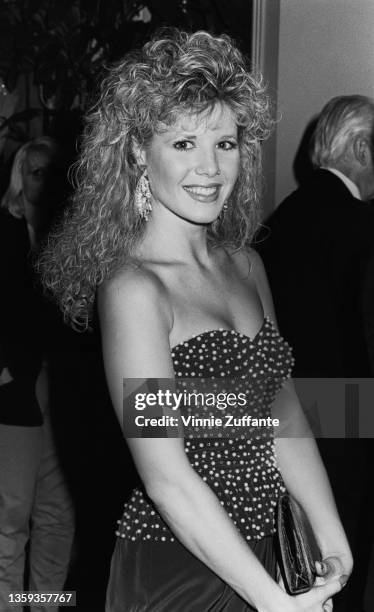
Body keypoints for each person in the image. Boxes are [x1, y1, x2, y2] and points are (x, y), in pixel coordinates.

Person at [40, 31, 352, 611]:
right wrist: (271, 601)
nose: (210, 168)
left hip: (273, 553)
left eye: (226, 144)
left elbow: (282, 414)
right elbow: (167, 478)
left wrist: (331, 539)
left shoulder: (248, 266)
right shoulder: (134, 288)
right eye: (184, 143)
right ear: (138, 151)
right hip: (181, 567)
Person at [256, 96, 374, 612]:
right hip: (351, 412)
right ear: (364, 148)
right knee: (345, 560)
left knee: (298, 562)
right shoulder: (360, 225)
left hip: (283, 412)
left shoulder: (282, 219)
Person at [0, 138, 74, 612]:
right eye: (35, 171)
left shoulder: (63, 237)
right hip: (14, 387)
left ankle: (43, 606)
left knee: (58, 513)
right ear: (18, 176)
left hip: (59, 382)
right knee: (11, 517)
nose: (41, 182)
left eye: (50, 173)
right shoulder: (2, 230)